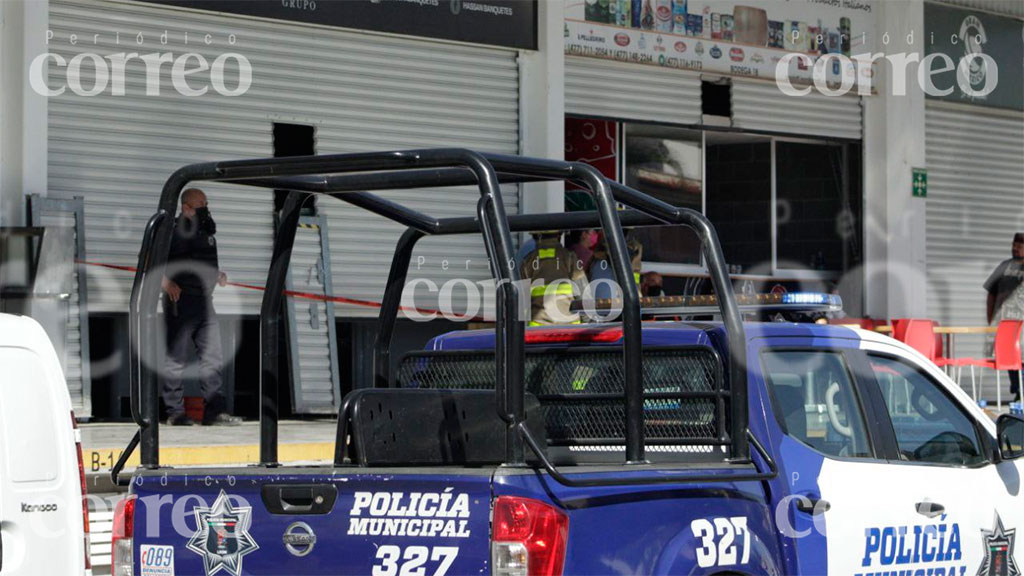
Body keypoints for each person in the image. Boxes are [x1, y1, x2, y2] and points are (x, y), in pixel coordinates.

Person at [161, 188, 241, 426]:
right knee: (177, 358)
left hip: (205, 302)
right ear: (185, 207)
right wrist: (166, 283)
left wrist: (218, 275)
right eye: (200, 205)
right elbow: (148, 260)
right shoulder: (171, 231)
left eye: (206, 203)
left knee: (212, 357)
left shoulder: (205, 232)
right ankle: (174, 412)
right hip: (181, 302)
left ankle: (214, 411)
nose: (205, 209)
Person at [984, 232, 1024, 402]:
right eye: (1014, 245)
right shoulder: (1004, 266)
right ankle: (1018, 391)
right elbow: (991, 293)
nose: (1015, 248)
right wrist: (990, 318)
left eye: (1019, 246)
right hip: (1005, 323)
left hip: (1022, 323)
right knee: (1010, 359)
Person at [522, 231, 586, 326]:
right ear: (559, 235)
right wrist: (587, 320)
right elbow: (583, 292)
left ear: (535, 236)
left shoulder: (527, 261)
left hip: (539, 325)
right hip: (569, 324)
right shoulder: (569, 257)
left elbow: (521, 300)